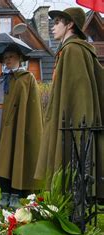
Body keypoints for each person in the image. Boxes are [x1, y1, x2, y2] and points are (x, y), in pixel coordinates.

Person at [34, 7, 103, 199]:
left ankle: (74, 209)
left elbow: (79, 94)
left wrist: (79, 127)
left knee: (74, 178)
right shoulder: (68, 50)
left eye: (57, 22)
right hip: (66, 121)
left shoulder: (73, 50)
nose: (53, 26)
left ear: (70, 24)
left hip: (74, 125)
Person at [0, 44, 42, 209]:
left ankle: (15, 195)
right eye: (5, 58)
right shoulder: (0, 80)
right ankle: (4, 193)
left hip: (17, 122)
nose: (8, 60)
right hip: (0, 121)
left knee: (14, 156)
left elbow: (31, 105)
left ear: (19, 58)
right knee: (2, 158)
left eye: (11, 57)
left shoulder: (26, 78)